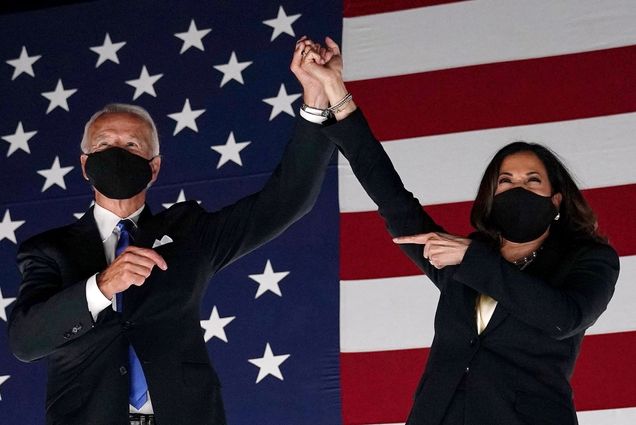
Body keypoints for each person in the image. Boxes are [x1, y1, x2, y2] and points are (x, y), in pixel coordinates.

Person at [8, 40, 333, 425]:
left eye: (131, 145)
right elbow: (26, 342)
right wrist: (102, 286)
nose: (117, 152)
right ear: (84, 164)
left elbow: (288, 200)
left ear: (155, 167)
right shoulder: (48, 250)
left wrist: (315, 101)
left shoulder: (189, 232)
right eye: (105, 144)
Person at [297, 38, 620, 424]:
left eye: (533, 180)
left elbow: (563, 318)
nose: (518, 188)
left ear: (556, 200)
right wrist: (338, 97)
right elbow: (394, 202)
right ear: (491, 196)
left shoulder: (587, 259)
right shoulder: (463, 258)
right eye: (506, 181)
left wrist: (473, 259)